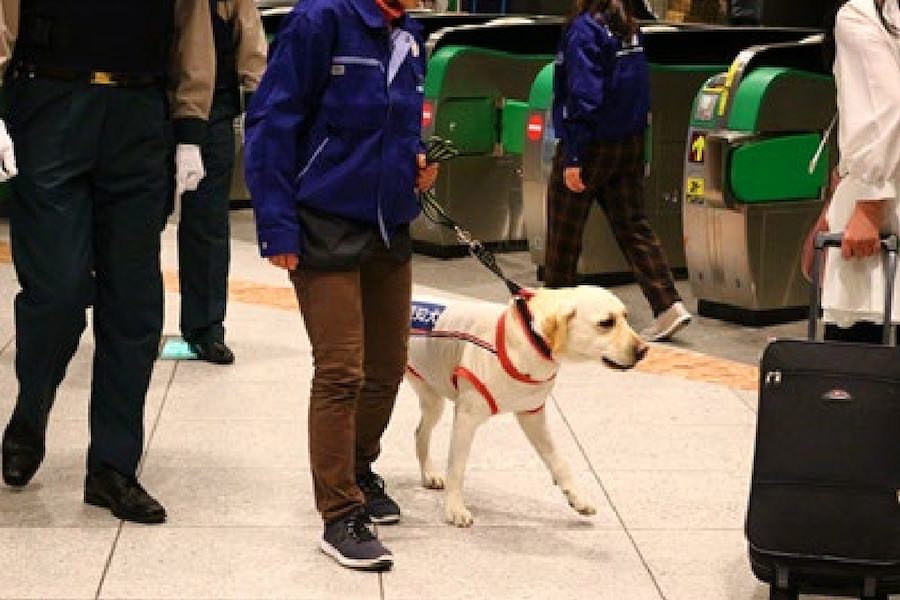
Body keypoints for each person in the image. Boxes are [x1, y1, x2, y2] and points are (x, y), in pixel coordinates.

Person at [0, 0, 215, 524]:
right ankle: (32, 410)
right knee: (59, 290)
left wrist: (190, 129)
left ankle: (113, 467)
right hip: (47, 101)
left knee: (133, 301)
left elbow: (193, 29)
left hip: (139, 112)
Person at [244, 0, 438, 571]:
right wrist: (277, 224)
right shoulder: (319, 19)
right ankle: (338, 514)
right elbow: (271, 122)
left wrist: (417, 163)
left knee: (386, 367)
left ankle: (357, 466)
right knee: (340, 370)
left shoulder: (410, 32)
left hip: (387, 221)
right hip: (320, 219)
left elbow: (399, 125)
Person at [544, 0, 691, 342]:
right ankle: (668, 305)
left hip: (592, 144)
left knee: (564, 233)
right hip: (630, 142)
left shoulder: (585, 30)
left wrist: (575, 155)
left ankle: (552, 314)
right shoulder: (628, 25)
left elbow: (584, 96)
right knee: (633, 226)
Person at [176, 0, 267, 365]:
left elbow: (251, 39)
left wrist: (256, 100)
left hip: (214, 106)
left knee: (208, 223)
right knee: (134, 220)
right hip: (147, 101)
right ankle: (133, 324)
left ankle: (206, 327)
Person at [821, 0, 900, 342]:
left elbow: (884, 108)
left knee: (857, 368)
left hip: (886, 201)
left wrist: (869, 202)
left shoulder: (861, 14)